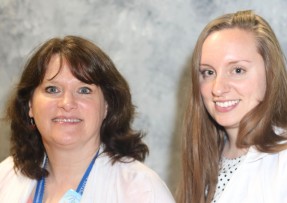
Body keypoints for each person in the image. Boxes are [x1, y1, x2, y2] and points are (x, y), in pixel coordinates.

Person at [0, 35, 175, 203]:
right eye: (53, 89)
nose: (67, 103)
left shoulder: (142, 191)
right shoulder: (5, 176)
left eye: (84, 90)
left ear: (107, 106)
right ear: (29, 105)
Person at [177, 10, 287, 203]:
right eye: (208, 72)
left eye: (237, 70)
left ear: (271, 74)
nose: (218, 89)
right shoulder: (205, 158)